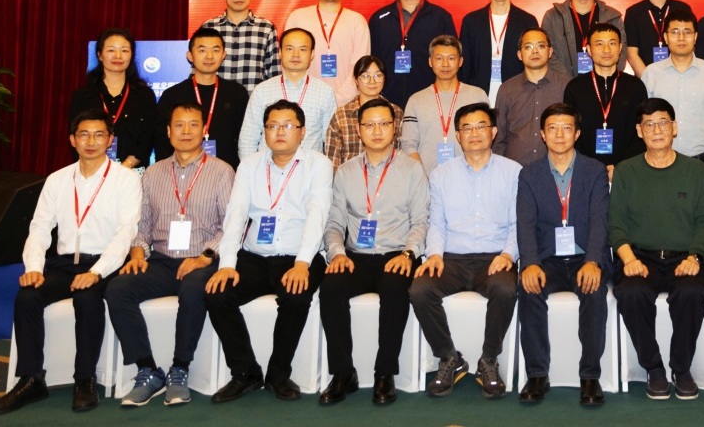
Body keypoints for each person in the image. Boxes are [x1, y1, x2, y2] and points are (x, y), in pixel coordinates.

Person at [0, 110, 141, 415]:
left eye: (99, 135)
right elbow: (39, 227)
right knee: (28, 296)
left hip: (105, 264)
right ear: (73, 140)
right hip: (63, 263)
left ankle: (84, 380)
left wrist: (96, 272)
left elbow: (126, 232)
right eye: (84, 134)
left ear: (110, 140)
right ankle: (31, 379)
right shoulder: (58, 179)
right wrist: (34, 268)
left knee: (87, 298)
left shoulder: (126, 179)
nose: (91, 141)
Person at [106, 103, 235, 407]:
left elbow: (231, 226)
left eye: (193, 125)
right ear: (168, 131)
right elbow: (142, 225)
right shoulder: (152, 173)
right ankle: (148, 370)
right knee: (118, 289)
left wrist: (205, 256)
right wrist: (138, 252)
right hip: (162, 260)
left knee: (193, 290)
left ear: (204, 130)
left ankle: (180, 369)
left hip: (203, 259)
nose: (186, 131)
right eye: (179, 125)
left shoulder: (222, 171)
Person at [205, 100, 331, 403]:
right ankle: (245, 372)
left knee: (296, 296)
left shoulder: (318, 164)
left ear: (302, 131)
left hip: (298, 255)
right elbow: (236, 215)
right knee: (217, 294)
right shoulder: (250, 165)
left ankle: (278, 374)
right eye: (272, 126)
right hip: (255, 256)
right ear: (264, 131)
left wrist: (302, 263)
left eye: (287, 126)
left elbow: (318, 214)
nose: (279, 132)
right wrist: (227, 264)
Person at [317, 99, 428, 406]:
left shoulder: (412, 169)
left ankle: (384, 373)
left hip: (397, 254)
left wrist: (409, 254)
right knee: (330, 288)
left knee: (394, 290)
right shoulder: (345, 172)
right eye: (369, 124)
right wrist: (337, 253)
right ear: (358, 129)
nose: (377, 131)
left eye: (384, 124)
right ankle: (343, 373)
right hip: (356, 255)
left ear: (395, 128)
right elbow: (335, 223)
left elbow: (421, 221)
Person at [409, 103, 521, 400]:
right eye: (467, 128)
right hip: (452, 259)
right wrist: (434, 254)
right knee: (420, 289)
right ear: (457, 135)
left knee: (505, 288)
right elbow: (437, 223)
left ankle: (489, 359)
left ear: (493, 132)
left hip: (495, 257)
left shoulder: (513, 172)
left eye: (481, 126)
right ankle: (448, 357)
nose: (474, 133)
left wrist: (508, 255)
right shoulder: (441, 174)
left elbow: (518, 224)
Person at [609, 98, 704, 401]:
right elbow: (616, 224)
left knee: (691, 292)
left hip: (685, 257)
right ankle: (654, 368)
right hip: (639, 257)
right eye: (649, 124)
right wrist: (628, 259)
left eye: (663, 123)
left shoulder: (696, 171)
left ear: (675, 127)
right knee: (631, 292)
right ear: (639, 131)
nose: (656, 130)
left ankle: (681, 369)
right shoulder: (626, 171)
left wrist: (695, 256)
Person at [515, 104, 612, 406]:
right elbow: (525, 223)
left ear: (577, 133)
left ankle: (590, 376)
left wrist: (593, 261)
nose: (559, 135)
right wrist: (530, 263)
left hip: (585, 256)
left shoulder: (594, 170)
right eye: (553, 128)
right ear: (542, 134)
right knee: (529, 289)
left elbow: (600, 221)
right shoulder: (529, 175)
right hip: (548, 259)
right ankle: (537, 375)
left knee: (593, 291)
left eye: (567, 128)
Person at [640, 9, 704, 177]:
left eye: (687, 32)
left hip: (703, 164)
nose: (681, 38)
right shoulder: (651, 73)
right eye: (675, 32)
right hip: (660, 163)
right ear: (666, 37)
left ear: (695, 37)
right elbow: (644, 124)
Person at [369, 0, 458, 109]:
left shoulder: (440, 17)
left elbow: (453, 59)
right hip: (387, 100)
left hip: (430, 99)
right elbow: (372, 59)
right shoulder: (379, 19)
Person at [155, 27, 249, 170]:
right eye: (202, 50)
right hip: (182, 171)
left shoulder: (237, 93)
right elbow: (161, 140)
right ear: (190, 56)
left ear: (223, 54)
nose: (209, 56)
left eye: (215, 50)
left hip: (228, 172)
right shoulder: (173, 95)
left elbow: (245, 139)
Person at [562, 23, 648, 178]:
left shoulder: (635, 86)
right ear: (589, 50)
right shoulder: (575, 87)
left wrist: (621, 167)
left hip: (628, 170)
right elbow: (570, 131)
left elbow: (642, 131)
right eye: (599, 44)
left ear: (620, 48)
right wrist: (591, 167)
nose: (606, 50)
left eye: (612, 43)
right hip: (585, 171)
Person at [238, 28, 338, 158]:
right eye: (289, 49)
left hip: (309, 167)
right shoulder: (262, 90)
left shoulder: (325, 92)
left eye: (302, 49)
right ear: (280, 52)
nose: (296, 54)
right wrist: (251, 168)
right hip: (268, 167)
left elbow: (331, 142)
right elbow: (248, 139)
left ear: (312, 54)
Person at [284, 0, 372, 104]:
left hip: (347, 104)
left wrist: (338, 100)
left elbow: (360, 67)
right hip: (304, 101)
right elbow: (288, 63)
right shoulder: (298, 17)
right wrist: (304, 97)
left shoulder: (357, 21)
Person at [400, 35, 489, 177]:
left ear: (460, 61)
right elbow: (408, 145)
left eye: (451, 58)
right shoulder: (416, 100)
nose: (445, 64)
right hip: (427, 181)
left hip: (471, 179)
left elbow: (487, 139)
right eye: (439, 58)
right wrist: (423, 179)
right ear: (430, 61)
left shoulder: (477, 96)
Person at [68, 27, 157, 169]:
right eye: (111, 50)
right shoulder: (82, 96)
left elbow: (148, 138)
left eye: (124, 50)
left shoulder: (144, 95)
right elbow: (76, 136)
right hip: (93, 170)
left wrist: (122, 170)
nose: (118, 56)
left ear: (131, 55)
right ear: (100, 55)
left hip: (132, 171)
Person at [458, 0, 539, 104]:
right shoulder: (471, 21)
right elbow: (465, 65)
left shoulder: (527, 21)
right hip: (478, 94)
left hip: (518, 96)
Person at [494, 28, 571, 166]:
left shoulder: (566, 87)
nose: (535, 51)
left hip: (555, 170)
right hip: (514, 170)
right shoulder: (507, 89)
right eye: (528, 47)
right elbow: (498, 139)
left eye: (540, 46)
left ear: (550, 52)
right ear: (519, 54)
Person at [200, 0, 282, 91]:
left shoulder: (266, 28)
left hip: (253, 101)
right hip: (214, 100)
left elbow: (274, 73)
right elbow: (198, 69)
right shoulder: (209, 27)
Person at [542, 0, 625, 78]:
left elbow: (621, 54)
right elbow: (547, 54)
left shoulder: (612, 16)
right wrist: (570, 83)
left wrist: (606, 80)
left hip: (603, 83)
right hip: (563, 85)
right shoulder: (552, 17)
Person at [323, 55, 402, 169]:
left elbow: (402, 155)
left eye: (378, 76)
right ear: (356, 80)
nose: (372, 81)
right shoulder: (341, 116)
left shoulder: (396, 113)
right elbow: (332, 162)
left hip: (389, 177)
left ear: (384, 79)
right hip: (350, 178)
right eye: (365, 76)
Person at [624, 0, 694, 77]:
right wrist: (649, 80)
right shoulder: (633, 13)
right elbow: (631, 53)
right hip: (646, 81)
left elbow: (690, 47)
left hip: (679, 78)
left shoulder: (683, 9)